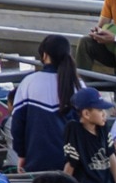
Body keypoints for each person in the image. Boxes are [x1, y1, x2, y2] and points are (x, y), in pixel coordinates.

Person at [8, 37, 79, 173]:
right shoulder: (77, 85)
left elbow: (17, 125)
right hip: (72, 166)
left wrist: (21, 155)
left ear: (45, 55)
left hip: (36, 163)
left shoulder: (29, 82)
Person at [61, 85, 116, 183]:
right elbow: (71, 163)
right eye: (100, 110)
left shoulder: (102, 127)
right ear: (86, 113)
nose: (104, 114)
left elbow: (111, 156)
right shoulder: (74, 130)